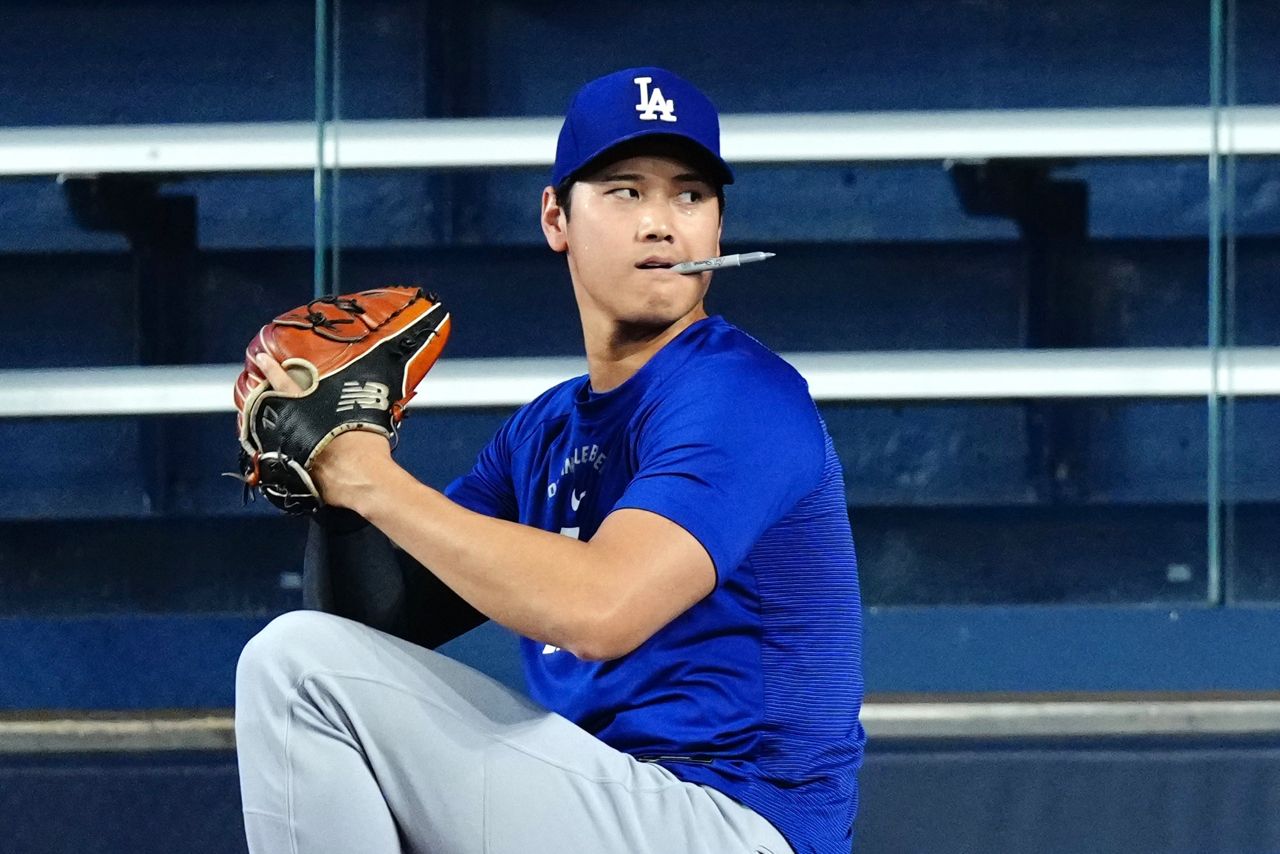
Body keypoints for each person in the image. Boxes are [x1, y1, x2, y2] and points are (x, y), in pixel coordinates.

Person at [234, 66, 865, 854]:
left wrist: (373, 479)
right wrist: (331, 486)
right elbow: (377, 629)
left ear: (717, 228)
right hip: (604, 808)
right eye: (626, 191)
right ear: (555, 218)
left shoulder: (740, 394)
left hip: (734, 821)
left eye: (690, 195)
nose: (661, 224)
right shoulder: (543, 433)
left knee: (293, 669)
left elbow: (602, 609)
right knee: (308, 664)